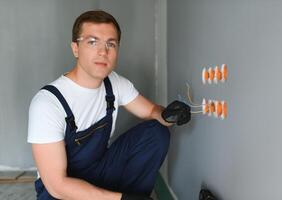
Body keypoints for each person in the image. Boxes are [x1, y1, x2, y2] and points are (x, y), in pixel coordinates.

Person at [28, 10, 190, 200]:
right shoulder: (48, 103)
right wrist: (121, 199)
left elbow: (152, 112)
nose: (103, 52)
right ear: (75, 48)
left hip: (99, 170)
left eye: (110, 44)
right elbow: (57, 186)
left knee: (156, 133)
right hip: (61, 191)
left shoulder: (114, 83)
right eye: (92, 42)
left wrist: (168, 115)